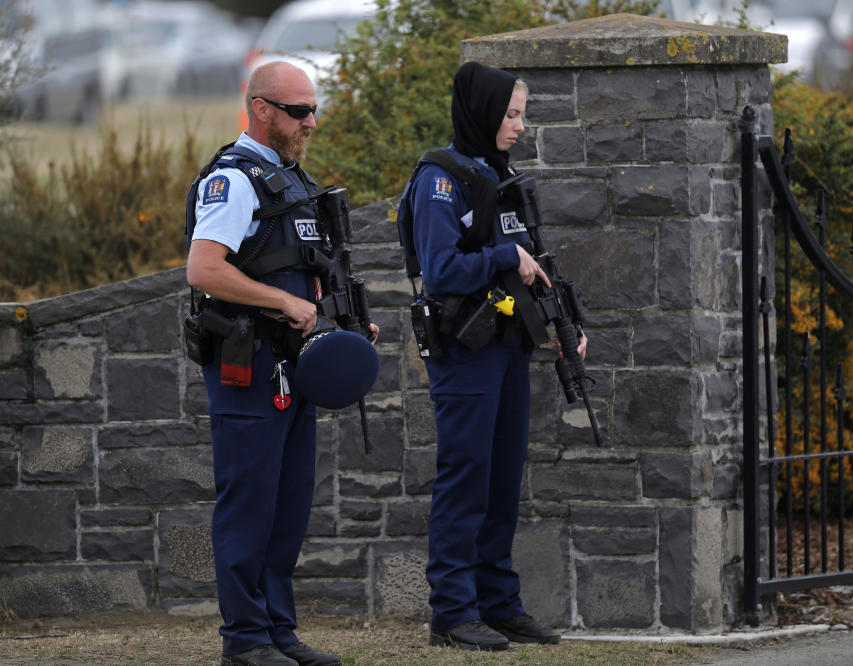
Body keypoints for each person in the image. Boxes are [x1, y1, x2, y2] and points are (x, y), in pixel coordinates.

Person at [186, 61, 377, 666]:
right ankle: (244, 641)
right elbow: (205, 269)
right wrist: (284, 302)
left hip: (295, 367)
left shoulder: (292, 180)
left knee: (288, 507)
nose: (310, 122)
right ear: (262, 109)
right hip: (249, 367)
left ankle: (278, 633)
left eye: (313, 110)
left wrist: (341, 321)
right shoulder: (234, 181)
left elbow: (299, 267)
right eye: (299, 112)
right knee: (249, 505)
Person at [404, 61, 587, 651]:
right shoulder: (441, 178)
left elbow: (536, 265)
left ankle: (498, 606)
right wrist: (504, 258)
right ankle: (453, 614)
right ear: (483, 112)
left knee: (503, 480)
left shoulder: (501, 176)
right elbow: (441, 271)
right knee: (467, 478)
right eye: (510, 114)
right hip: (465, 348)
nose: (519, 126)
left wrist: (565, 324)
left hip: (507, 344)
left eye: (522, 115)